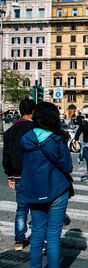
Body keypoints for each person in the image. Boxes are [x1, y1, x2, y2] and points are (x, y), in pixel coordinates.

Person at [19, 102, 73, 267]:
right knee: (53, 237)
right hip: (57, 190)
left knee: (36, 235)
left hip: (35, 191)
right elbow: (68, 167)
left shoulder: (27, 139)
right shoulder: (56, 140)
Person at [3, 99, 36, 251]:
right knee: (38, 208)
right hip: (35, 175)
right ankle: (38, 239)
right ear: (33, 112)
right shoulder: (36, 129)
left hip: (17, 175)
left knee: (21, 208)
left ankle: (19, 240)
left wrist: (10, 175)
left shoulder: (10, 131)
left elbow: (6, 156)